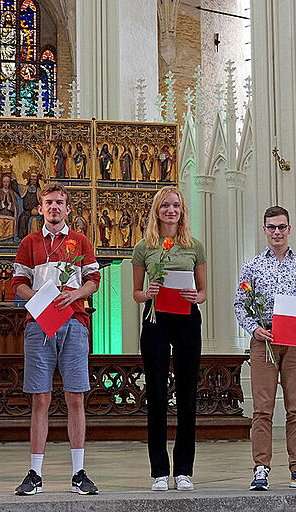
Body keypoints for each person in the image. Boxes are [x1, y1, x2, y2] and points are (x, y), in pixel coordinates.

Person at [12, 183, 101, 496]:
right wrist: (38, 296)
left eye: (59, 203)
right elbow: (18, 284)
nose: (54, 207)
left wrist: (74, 294)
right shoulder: (30, 242)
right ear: (40, 208)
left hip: (74, 321)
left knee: (75, 397)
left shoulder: (80, 240)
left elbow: (93, 281)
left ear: (68, 208)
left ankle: (79, 472)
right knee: (41, 397)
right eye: (48, 202)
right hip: (39, 323)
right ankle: (35, 473)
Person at [233, 205, 296, 491]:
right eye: (271, 227)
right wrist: (253, 328)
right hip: (264, 342)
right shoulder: (253, 266)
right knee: (262, 408)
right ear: (264, 230)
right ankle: (261, 468)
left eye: (282, 227)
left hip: (295, 343)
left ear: (289, 229)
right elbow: (240, 305)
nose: (277, 232)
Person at [131, 186, 206, 492]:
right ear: (157, 210)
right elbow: (135, 293)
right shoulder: (144, 247)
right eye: (165, 206)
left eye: (176, 205)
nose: (171, 210)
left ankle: (184, 470)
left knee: (187, 394)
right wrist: (146, 292)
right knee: (157, 396)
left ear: (182, 210)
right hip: (156, 320)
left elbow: (203, 291)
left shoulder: (194, 246)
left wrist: (195, 295)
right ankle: (160, 470)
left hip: (186, 318)